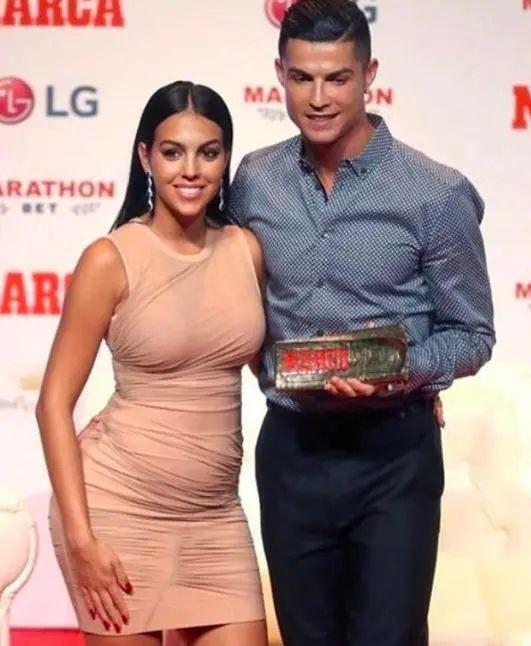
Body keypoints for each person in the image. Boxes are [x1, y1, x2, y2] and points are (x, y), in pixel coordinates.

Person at [228, 1, 495, 645]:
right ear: (280, 74)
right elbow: (225, 293)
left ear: (369, 74)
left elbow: (473, 334)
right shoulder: (255, 181)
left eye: (337, 78)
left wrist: (403, 374)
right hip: (292, 450)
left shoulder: (434, 193)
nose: (318, 98)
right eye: (302, 78)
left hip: (392, 457)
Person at [36, 81, 268, 646]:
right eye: (172, 152)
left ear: (225, 159)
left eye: (208, 152)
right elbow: (52, 405)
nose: (190, 170)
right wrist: (81, 539)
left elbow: (279, 372)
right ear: (145, 157)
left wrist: (401, 386)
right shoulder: (110, 258)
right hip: (116, 513)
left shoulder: (246, 250)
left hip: (216, 519)